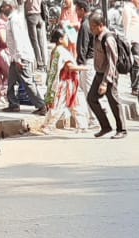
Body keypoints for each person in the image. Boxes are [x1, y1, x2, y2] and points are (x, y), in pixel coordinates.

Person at [86, 10, 126, 138]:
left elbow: (112, 63)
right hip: (99, 74)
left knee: (114, 101)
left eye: (93, 26)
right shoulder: (97, 37)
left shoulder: (108, 39)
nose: (91, 29)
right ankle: (105, 126)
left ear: (100, 25)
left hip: (108, 76)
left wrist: (105, 82)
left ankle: (122, 129)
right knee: (91, 99)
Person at [3, 1, 47, 113]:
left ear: (10, 7)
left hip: (21, 56)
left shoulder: (14, 20)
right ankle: (13, 104)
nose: (3, 9)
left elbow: (18, 40)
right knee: (11, 81)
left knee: (27, 82)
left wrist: (18, 58)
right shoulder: (15, 19)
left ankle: (41, 105)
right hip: (16, 56)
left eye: (4, 6)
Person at [43, 26, 79, 131]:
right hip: (63, 82)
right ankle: (48, 126)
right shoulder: (62, 51)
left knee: (63, 105)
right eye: (66, 38)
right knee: (59, 106)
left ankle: (82, 125)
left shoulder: (55, 50)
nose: (67, 40)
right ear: (60, 39)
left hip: (55, 81)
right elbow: (69, 67)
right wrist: (85, 68)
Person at [73, 0, 95, 129]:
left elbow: (83, 47)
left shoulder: (86, 25)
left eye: (77, 9)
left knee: (89, 92)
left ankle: (94, 119)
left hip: (88, 62)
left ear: (81, 9)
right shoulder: (90, 22)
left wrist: (80, 65)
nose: (75, 12)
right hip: (91, 61)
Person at [24, 0, 46, 65]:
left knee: (34, 41)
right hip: (39, 15)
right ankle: (44, 61)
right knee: (40, 42)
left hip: (31, 16)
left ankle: (39, 62)